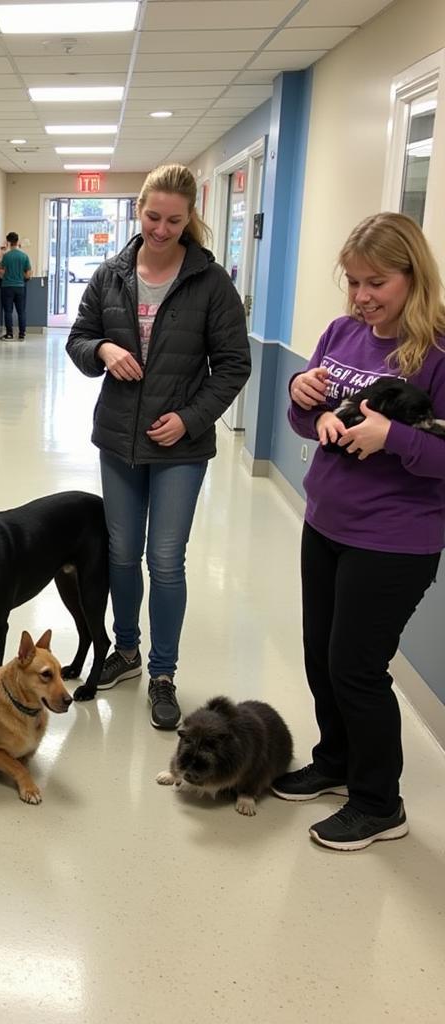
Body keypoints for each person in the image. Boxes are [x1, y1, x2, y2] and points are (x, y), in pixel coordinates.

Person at [275, 212, 445, 850]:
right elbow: (306, 417)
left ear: (412, 275)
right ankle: (336, 763)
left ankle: (379, 804)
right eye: (352, 282)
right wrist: (300, 393)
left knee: (357, 667)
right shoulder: (342, 332)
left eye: (377, 282)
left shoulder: (437, 350)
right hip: (326, 520)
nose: (361, 297)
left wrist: (395, 438)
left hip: (395, 538)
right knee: (321, 654)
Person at [66, 163, 250, 729]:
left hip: (180, 449)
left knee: (165, 559)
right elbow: (77, 340)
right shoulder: (112, 274)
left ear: (190, 218)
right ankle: (125, 651)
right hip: (118, 441)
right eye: (152, 216)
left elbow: (233, 366)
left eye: (174, 219)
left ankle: (164, 672)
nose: (162, 229)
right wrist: (101, 350)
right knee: (121, 553)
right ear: (138, 210)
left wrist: (191, 420)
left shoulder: (211, 284)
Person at [0, 231, 32, 340]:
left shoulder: (6, 256)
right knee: (21, 311)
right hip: (20, 287)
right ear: (17, 241)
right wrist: (23, 278)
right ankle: (22, 334)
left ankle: (9, 334)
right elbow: (28, 273)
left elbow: (2, 272)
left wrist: (0, 273)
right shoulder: (24, 256)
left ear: (8, 242)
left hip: (7, 287)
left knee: (8, 311)